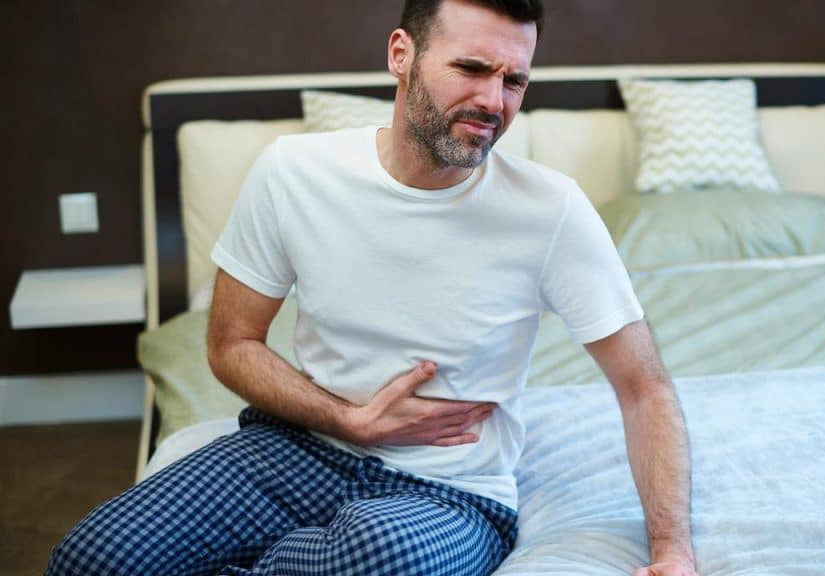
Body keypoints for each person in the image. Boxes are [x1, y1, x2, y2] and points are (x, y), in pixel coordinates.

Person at [46, 1, 696, 574]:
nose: (494, 103)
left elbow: (644, 388)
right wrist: (346, 419)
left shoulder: (550, 210)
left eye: (514, 80)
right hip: (290, 450)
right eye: (471, 69)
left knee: (379, 553)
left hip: (449, 496)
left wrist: (673, 553)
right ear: (400, 55)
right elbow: (230, 343)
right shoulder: (293, 173)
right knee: (93, 558)